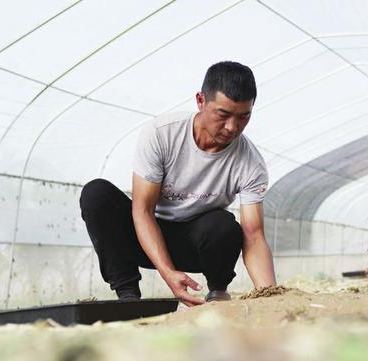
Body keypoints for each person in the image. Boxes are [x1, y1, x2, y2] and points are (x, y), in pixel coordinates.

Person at [79, 61, 276, 306]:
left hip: (196, 245)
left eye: (243, 117)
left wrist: (270, 295)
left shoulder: (250, 163)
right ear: (200, 101)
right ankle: (128, 296)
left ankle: (217, 292)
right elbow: (142, 211)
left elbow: (254, 235)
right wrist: (167, 273)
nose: (232, 127)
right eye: (223, 115)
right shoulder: (161, 134)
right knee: (96, 194)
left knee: (224, 225)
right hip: (146, 237)